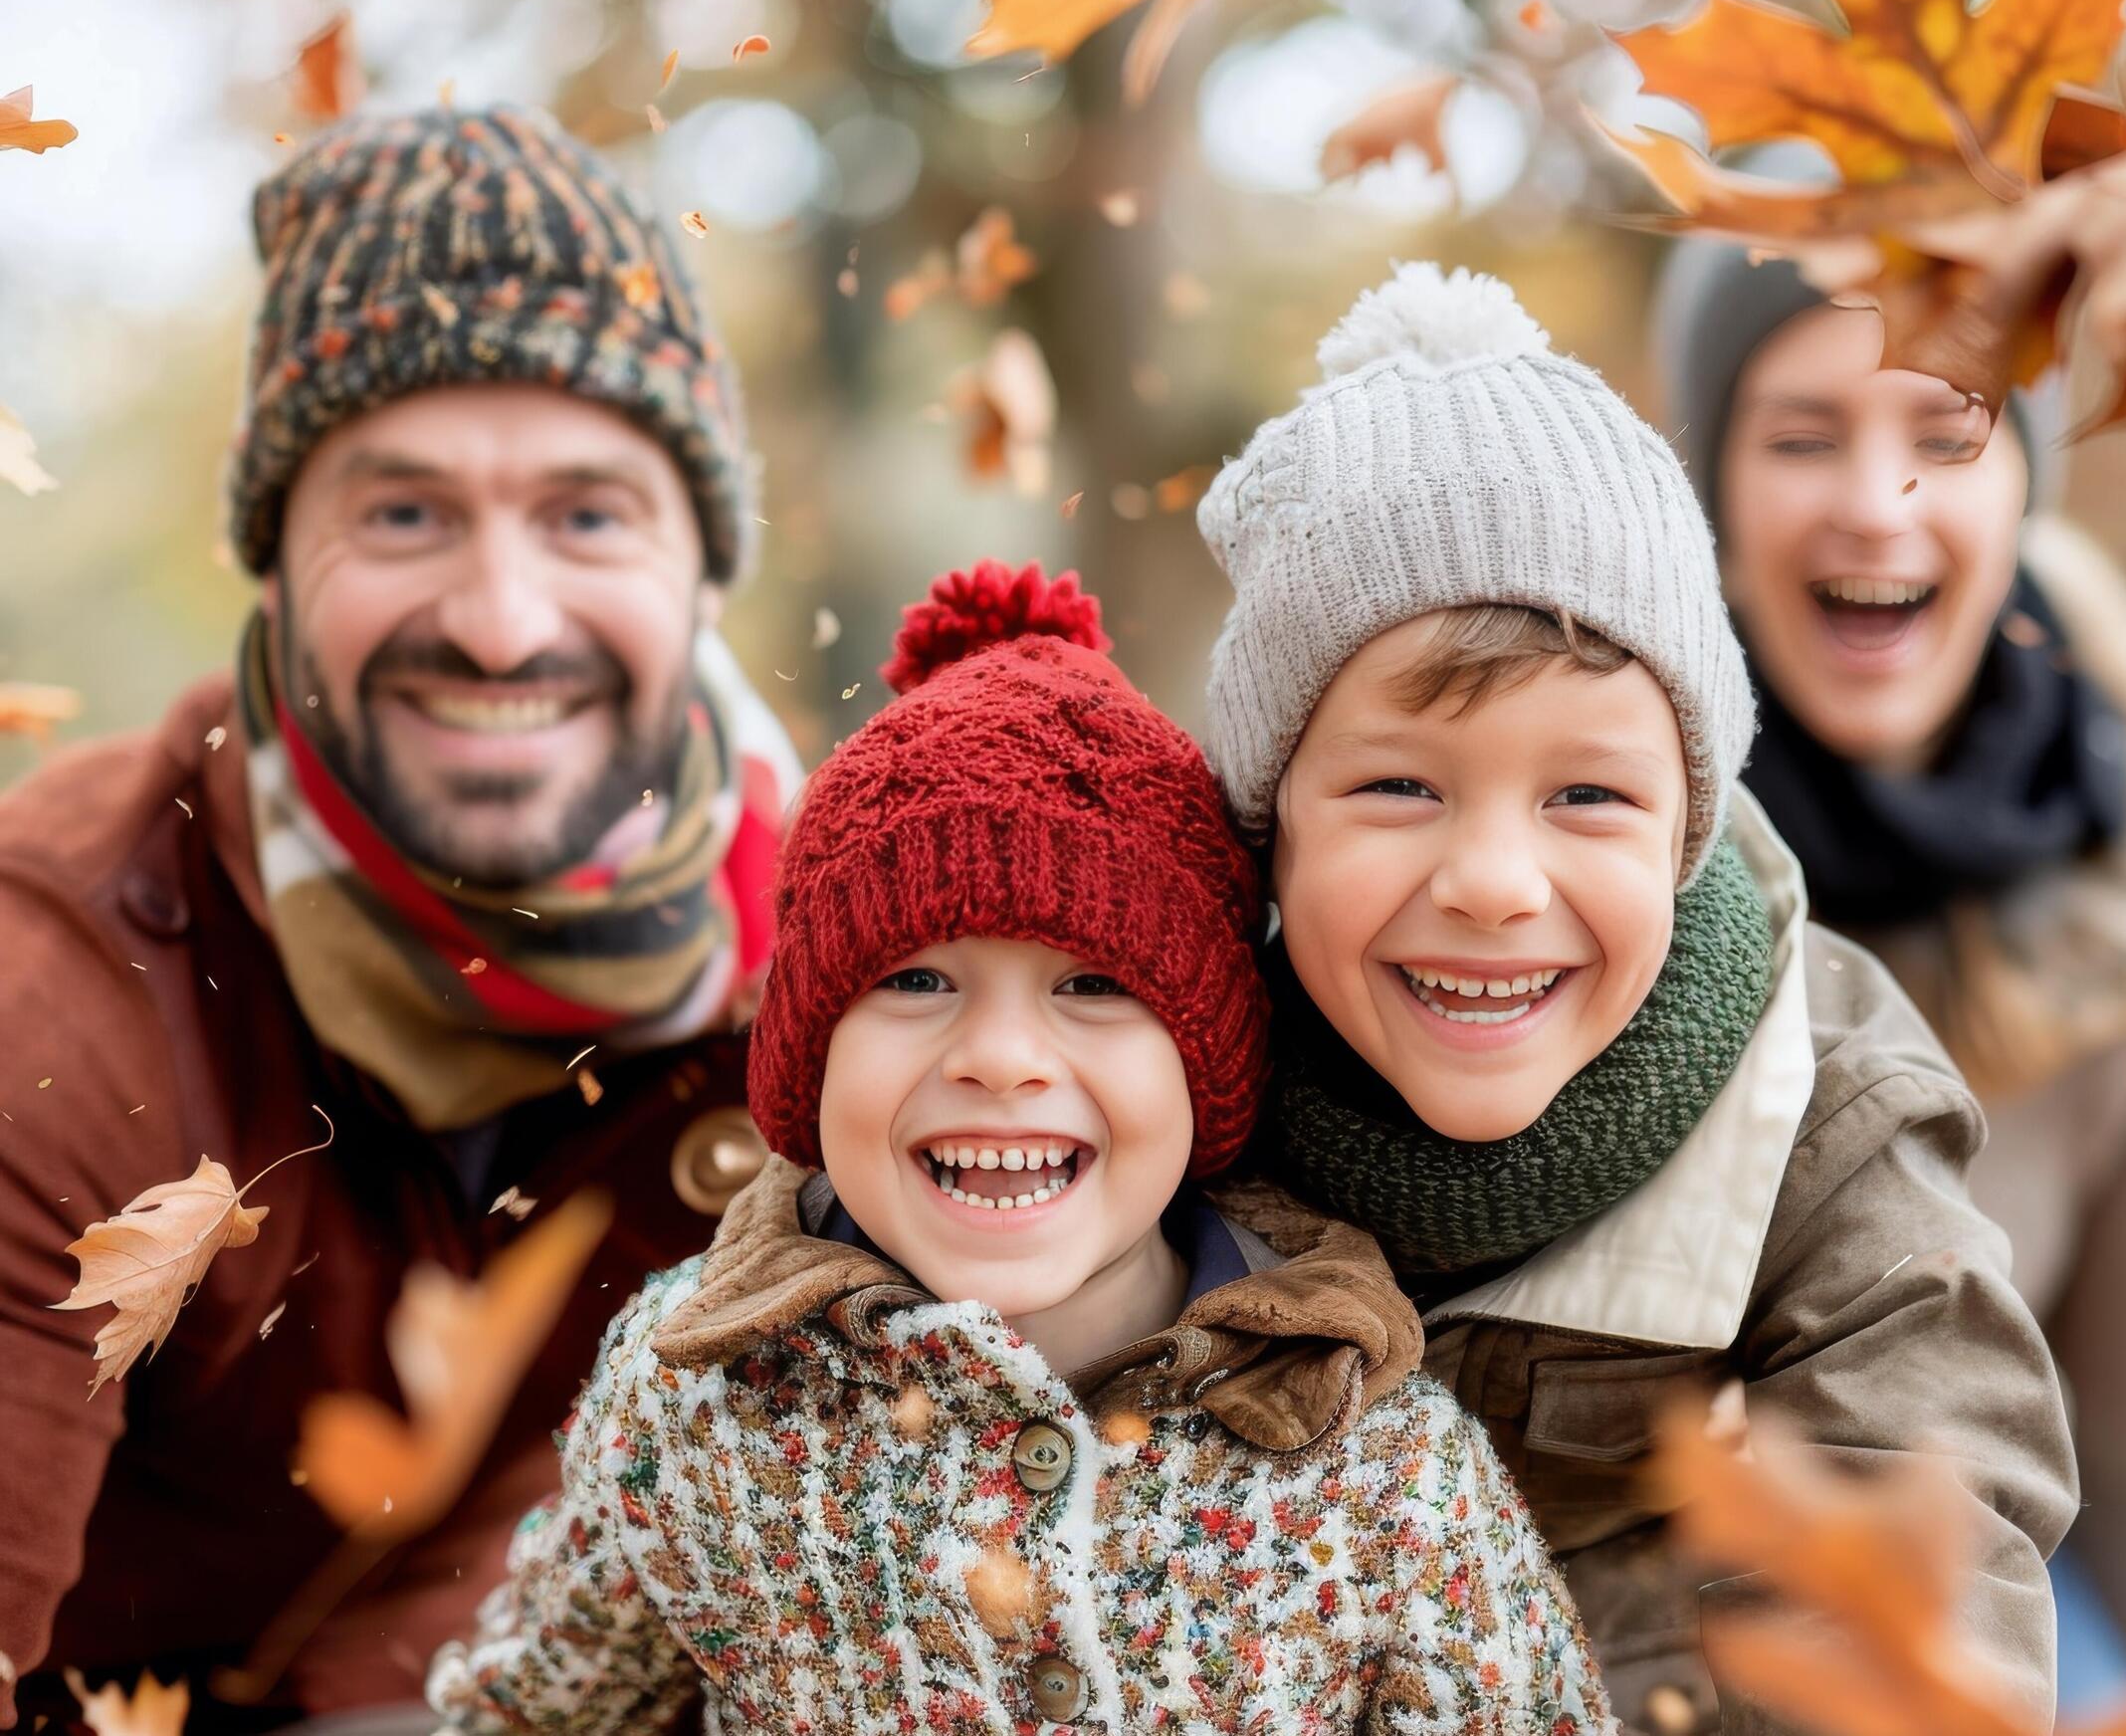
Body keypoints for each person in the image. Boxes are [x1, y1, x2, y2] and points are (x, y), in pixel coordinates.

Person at [426, 560, 1616, 1735]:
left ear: (1208, 1065)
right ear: (808, 1060)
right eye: (917, 978)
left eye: (1094, 984)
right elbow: (533, 1709)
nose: (1002, 1058)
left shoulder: (1366, 1455)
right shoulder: (695, 1395)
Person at [0, 106, 799, 1733]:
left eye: (589, 515)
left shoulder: (860, 968)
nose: (503, 627)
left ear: (701, 567)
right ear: (277, 565)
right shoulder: (57, 1000)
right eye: (405, 513)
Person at [1191, 263, 2079, 1727]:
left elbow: (1923, 1506)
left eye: (1588, 796)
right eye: (1400, 785)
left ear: (1685, 828)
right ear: (1270, 823)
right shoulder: (1158, 1046)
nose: (1492, 880)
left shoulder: (1814, 1097)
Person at [1652, 245, 2126, 1707]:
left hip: (1987, 1571)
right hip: (1610, 1555)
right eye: (1802, 437)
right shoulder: (1603, 830)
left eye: (1946, 435)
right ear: (1714, 491)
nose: (1874, 502)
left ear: (2022, 478)